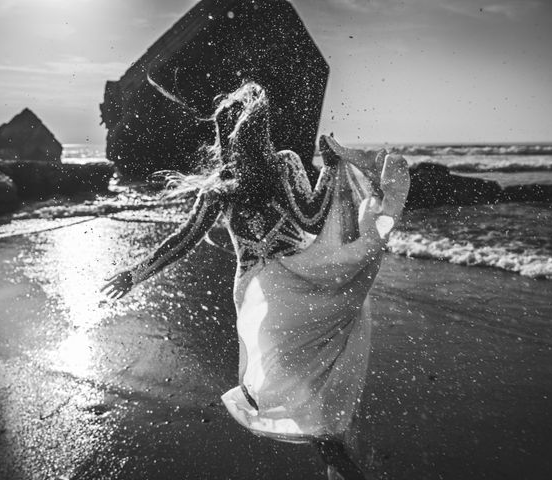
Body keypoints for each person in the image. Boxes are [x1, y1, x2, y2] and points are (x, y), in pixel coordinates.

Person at [102, 81, 410, 480]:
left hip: (259, 299)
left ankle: (335, 459)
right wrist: (331, 166)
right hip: (301, 284)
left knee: (298, 398)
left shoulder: (218, 190)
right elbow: (313, 218)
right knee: (323, 386)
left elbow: (182, 242)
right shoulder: (282, 165)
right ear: (259, 133)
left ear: (224, 139)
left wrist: (135, 273)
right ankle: (338, 460)